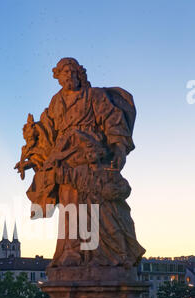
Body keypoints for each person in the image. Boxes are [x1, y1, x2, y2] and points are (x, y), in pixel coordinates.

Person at [15, 57, 145, 268]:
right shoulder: (56, 101)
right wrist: (34, 157)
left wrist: (119, 147)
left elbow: (114, 121)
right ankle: (72, 255)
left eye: (72, 72)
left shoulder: (94, 96)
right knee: (70, 209)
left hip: (90, 159)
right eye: (64, 73)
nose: (68, 77)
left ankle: (96, 257)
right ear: (58, 77)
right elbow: (47, 134)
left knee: (95, 209)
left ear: (79, 74)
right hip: (65, 163)